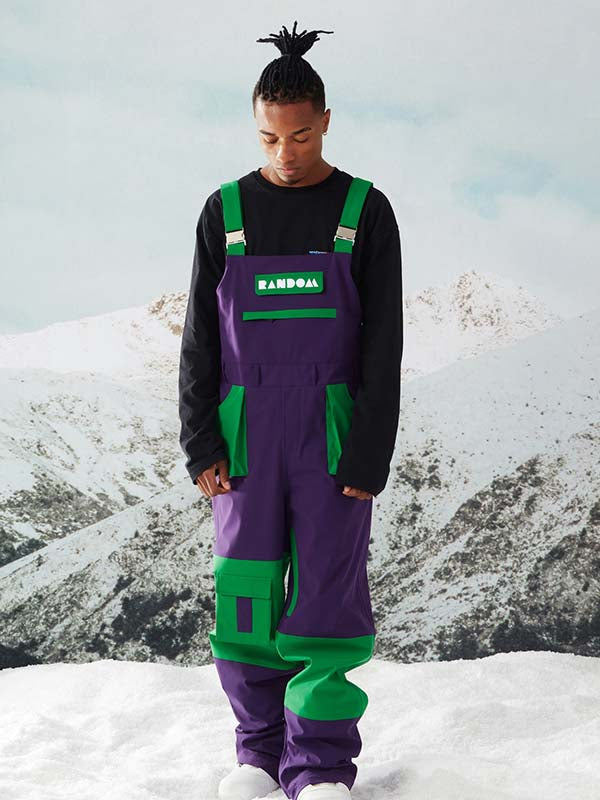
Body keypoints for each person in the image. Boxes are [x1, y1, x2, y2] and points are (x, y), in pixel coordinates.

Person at [178, 20, 403, 800]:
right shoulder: (226, 211)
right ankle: (257, 757)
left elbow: (383, 344)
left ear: (326, 121)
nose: (286, 153)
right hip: (243, 435)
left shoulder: (365, 211)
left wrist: (370, 451)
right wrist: (199, 440)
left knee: (326, 600)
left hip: (332, 434)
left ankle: (319, 767)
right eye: (270, 138)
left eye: (301, 136)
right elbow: (200, 339)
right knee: (243, 596)